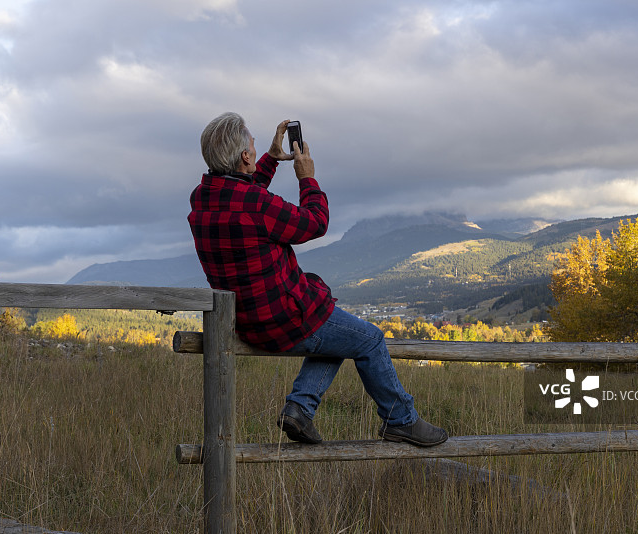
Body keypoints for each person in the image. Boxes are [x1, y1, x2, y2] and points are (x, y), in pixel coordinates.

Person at [188, 112, 447, 447]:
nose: (255, 143)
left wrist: (270, 160)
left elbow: (242, 199)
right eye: (252, 143)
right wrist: (306, 178)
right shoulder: (256, 205)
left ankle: (300, 409)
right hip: (282, 321)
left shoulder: (202, 197)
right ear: (245, 156)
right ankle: (401, 421)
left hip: (243, 322)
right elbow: (314, 223)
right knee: (368, 339)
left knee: (336, 329)